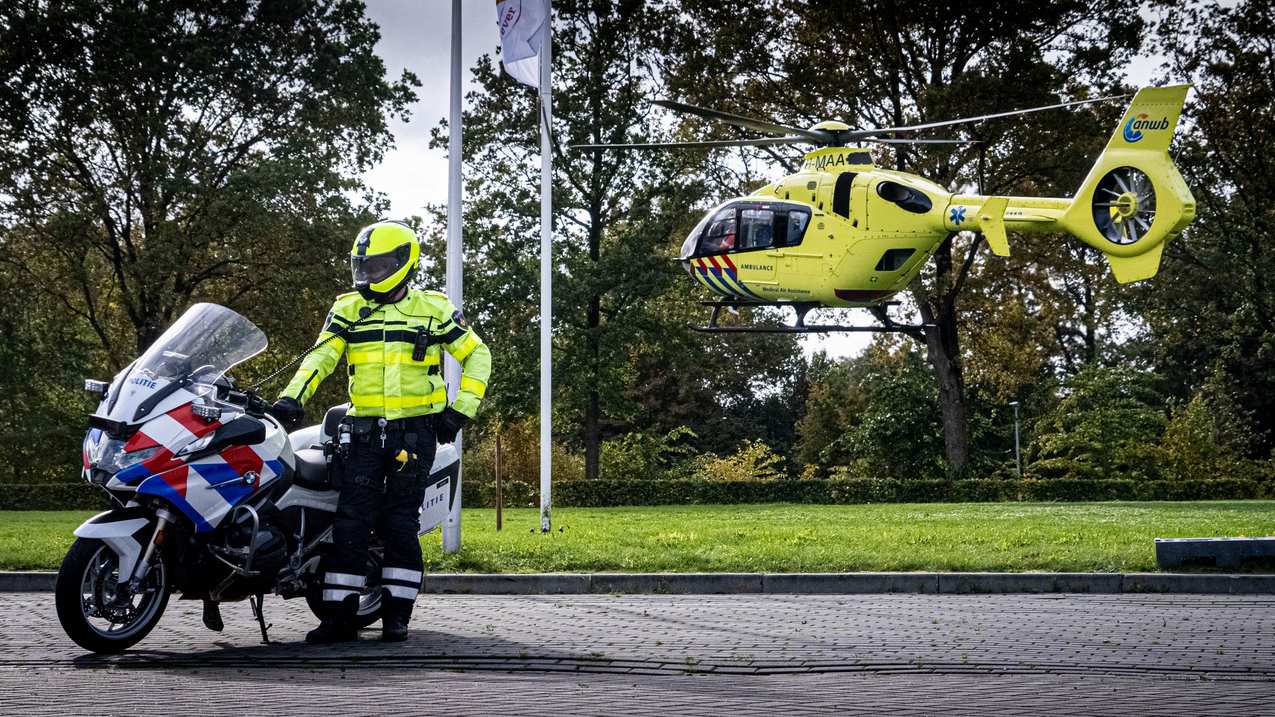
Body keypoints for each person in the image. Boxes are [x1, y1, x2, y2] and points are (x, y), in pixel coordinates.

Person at [270, 220, 491, 643]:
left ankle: (396, 617)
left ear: (404, 263)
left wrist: (460, 411)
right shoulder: (348, 308)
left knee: (399, 524)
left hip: (416, 433)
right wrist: (292, 398)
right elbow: (320, 358)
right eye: (363, 266)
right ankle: (338, 617)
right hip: (362, 432)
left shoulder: (434, 309)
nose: (368, 273)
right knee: (351, 523)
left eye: (378, 265)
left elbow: (478, 356)